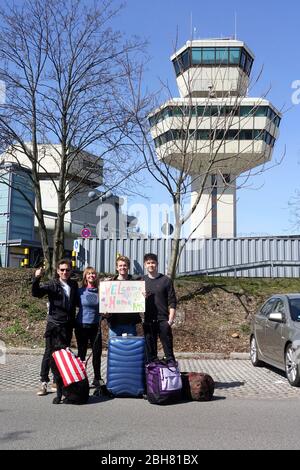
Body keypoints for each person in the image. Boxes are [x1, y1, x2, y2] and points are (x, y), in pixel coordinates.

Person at [32, 259, 78, 396]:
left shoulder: (73, 284)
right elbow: (36, 293)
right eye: (62, 270)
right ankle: (43, 382)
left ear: (71, 271)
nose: (65, 272)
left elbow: (77, 303)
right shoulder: (52, 284)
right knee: (49, 352)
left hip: (68, 325)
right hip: (54, 324)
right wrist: (36, 278)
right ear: (58, 271)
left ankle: (55, 381)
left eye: (67, 270)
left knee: (63, 354)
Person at [143, 253, 177, 363]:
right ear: (145, 265)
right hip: (148, 320)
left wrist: (170, 320)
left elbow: (172, 301)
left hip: (163, 320)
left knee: (169, 353)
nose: (151, 265)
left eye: (153, 262)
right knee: (151, 354)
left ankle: (171, 377)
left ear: (157, 264)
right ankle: (152, 377)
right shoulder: (141, 281)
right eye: (148, 263)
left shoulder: (166, 280)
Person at [75, 266, 102, 388]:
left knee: (97, 353)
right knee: (82, 353)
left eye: (93, 273)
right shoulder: (79, 291)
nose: (91, 275)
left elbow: (105, 307)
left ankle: (97, 378)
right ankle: (81, 377)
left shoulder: (101, 291)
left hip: (96, 326)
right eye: (88, 274)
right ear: (85, 276)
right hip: (81, 325)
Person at [103, 255, 142, 337]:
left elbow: (139, 301)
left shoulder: (136, 282)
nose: (122, 267)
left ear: (128, 267)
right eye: (120, 265)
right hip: (114, 324)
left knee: (130, 349)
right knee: (115, 349)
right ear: (117, 268)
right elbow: (105, 301)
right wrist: (105, 311)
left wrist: (143, 297)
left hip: (130, 324)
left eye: (125, 265)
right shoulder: (110, 283)